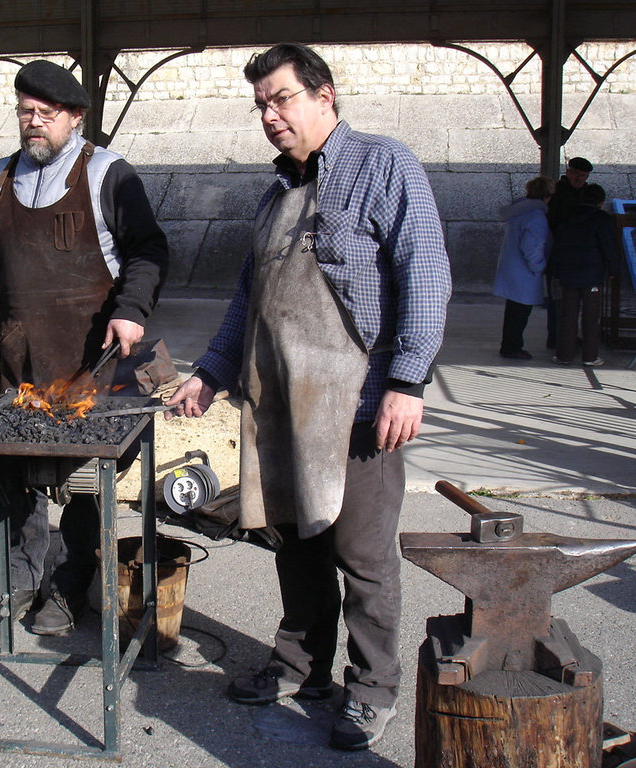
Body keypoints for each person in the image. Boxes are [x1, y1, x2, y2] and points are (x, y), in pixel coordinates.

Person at [165, 43, 450, 751]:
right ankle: (301, 667)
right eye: (261, 103)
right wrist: (208, 373)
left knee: (363, 558)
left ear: (325, 95)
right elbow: (247, 303)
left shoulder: (385, 166)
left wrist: (408, 380)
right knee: (294, 548)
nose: (269, 115)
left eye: (282, 98)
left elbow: (426, 272)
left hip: (360, 411)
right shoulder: (274, 198)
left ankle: (372, 689)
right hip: (283, 412)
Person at [0, 60, 169, 636]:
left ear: (75, 118)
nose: (32, 124)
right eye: (24, 112)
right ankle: (20, 578)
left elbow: (150, 250)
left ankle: (73, 579)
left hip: (91, 361)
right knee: (15, 478)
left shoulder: (109, 175)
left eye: (44, 115)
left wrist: (130, 311)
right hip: (23, 359)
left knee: (80, 485)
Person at [551, 182, 616, 366]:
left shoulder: (566, 217)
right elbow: (608, 246)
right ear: (600, 202)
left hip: (568, 271)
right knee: (591, 316)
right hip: (591, 273)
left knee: (568, 315)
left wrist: (557, 269)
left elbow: (558, 244)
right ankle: (590, 356)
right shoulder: (602, 219)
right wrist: (614, 269)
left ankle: (564, 355)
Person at [493, 176, 555, 360]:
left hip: (512, 268)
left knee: (513, 311)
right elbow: (532, 247)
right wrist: (540, 266)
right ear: (547, 196)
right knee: (520, 313)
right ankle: (512, 347)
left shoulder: (519, 211)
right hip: (525, 272)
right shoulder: (536, 216)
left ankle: (509, 345)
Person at [545, 156, 593, 347]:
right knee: (557, 300)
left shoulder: (586, 194)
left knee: (574, 302)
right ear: (568, 172)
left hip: (578, 257)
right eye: (577, 175)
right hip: (559, 255)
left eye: (583, 176)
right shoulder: (556, 194)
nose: (579, 179)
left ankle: (568, 335)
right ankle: (556, 336)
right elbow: (552, 223)